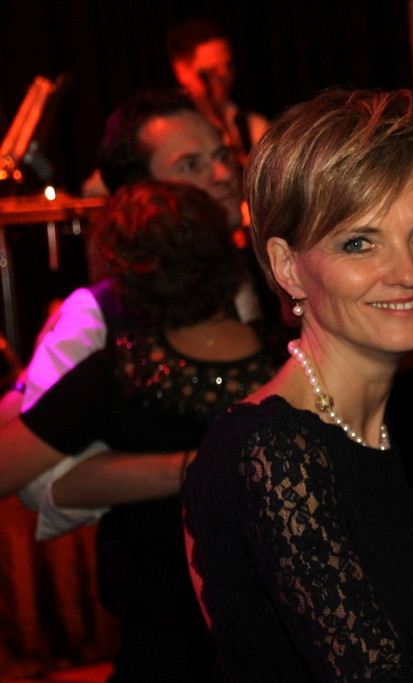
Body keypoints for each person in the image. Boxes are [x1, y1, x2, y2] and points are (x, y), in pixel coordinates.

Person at [180, 88, 413, 682]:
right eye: (360, 242)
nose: (407, 271)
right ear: (287, 267)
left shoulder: (385, 429)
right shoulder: (274, 451)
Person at [0, 180, 287, 681]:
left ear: (129, 279)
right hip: (277, 643)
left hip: (160, 645)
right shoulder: (290, 360)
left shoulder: (124, 370)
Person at [167, 18, 269, 166]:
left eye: (228, 66)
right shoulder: (167, 130)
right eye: (211, 70)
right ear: (182, 71)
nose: (224, 76)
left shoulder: (252, 127)